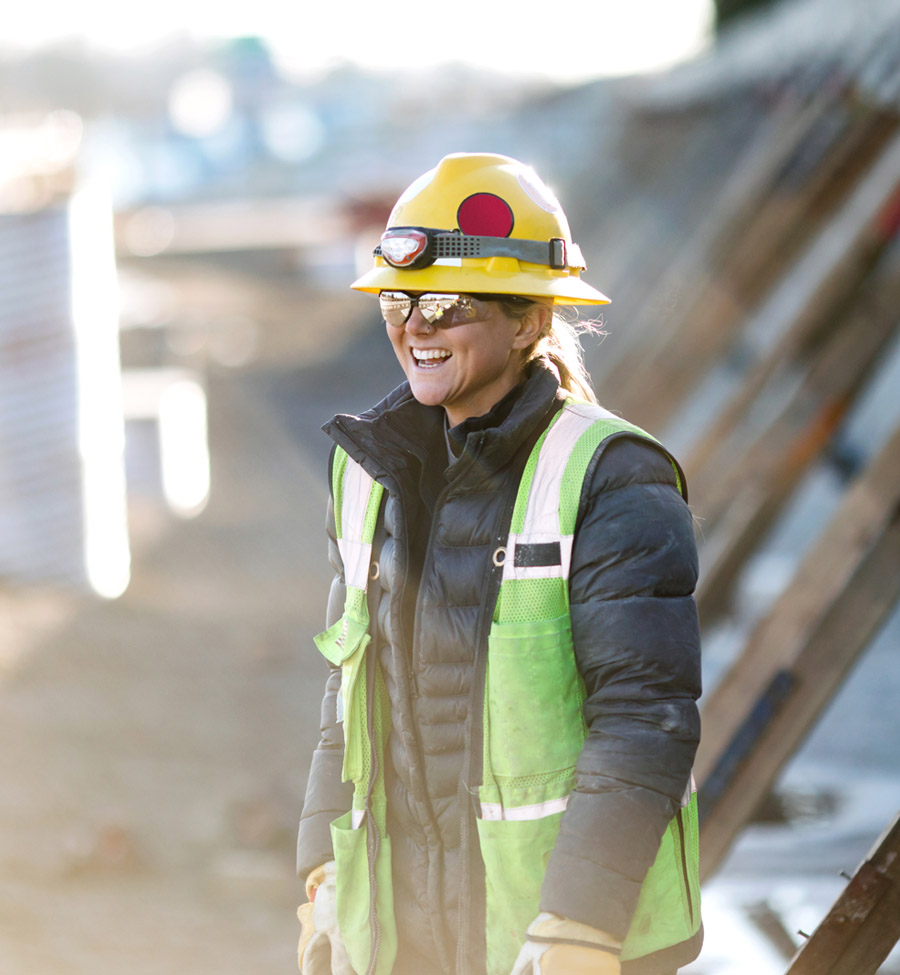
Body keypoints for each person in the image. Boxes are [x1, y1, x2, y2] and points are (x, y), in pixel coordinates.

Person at [296, 152, 702, 975]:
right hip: (410, 934)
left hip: (555, 938)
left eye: (445, 303)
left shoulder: (612, 477)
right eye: (397, 301)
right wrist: (322, 869)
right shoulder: (367, 473)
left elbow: (644, 717)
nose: (415, 326)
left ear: (527, 321)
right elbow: (348, 690)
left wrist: (578, 926)